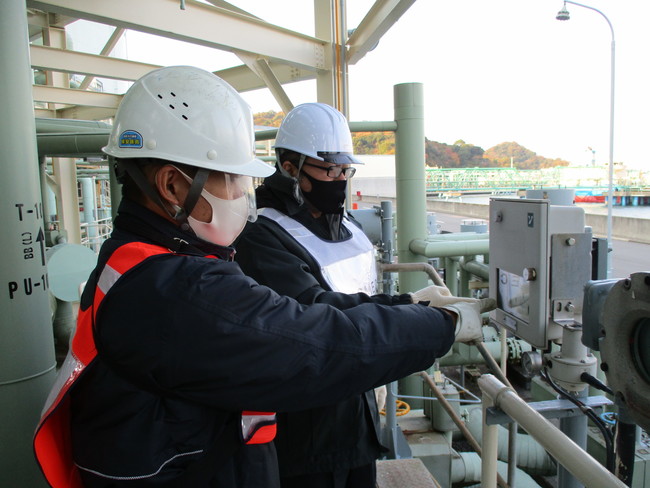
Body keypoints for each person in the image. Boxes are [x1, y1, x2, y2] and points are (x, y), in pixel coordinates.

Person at [32, 66, 483, 488]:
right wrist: (440, 325)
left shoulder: (144, 261)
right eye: (231, 180)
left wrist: (407, 307)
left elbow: (299, 314)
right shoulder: (177, 291)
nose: (243, 197)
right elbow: (313, 341)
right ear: (172, 186)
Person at [234, 102, 491, 488]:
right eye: (329, 170)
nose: (339, 179)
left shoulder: (347, 224)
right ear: (290, 168)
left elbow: (363, 292)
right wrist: (413, 309)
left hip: (360, 417)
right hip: (306, 436)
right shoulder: (262, 236)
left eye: (344, 170)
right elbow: (319, 313)